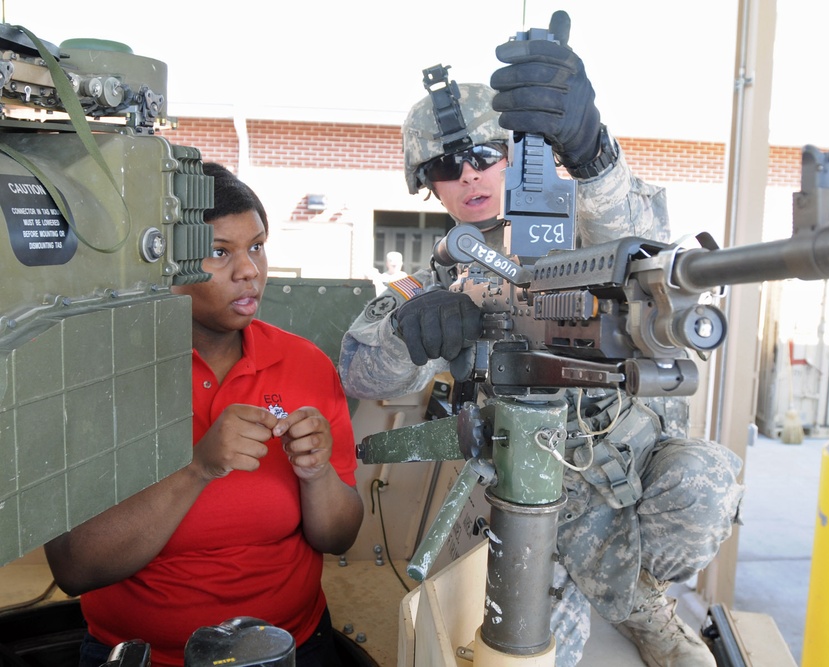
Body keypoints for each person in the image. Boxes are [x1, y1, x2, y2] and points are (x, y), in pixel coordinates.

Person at [340, 12, 744, 667]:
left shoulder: (588, 231)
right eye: (446, 165)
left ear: (512, 154)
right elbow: (360, 370)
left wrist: (594, 153)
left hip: (628, 464)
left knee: (707, 479)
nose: (468, 175)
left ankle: (644, 604)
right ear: (427, 182)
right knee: (528, 649)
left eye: (482, 155)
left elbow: (646, 247)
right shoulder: (442, 276)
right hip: (522, 486)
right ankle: (627, 600)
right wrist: (414, 335)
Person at [43, 163, 364, 667]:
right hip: (144, 656)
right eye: (220, 252)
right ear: (165, 262)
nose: (249, 270)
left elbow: (339, 537)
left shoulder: (306, 365)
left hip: (296, 647)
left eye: (256, 245)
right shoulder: (100, 377)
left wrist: (317, 474)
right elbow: (74, 567)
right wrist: (199, 468)